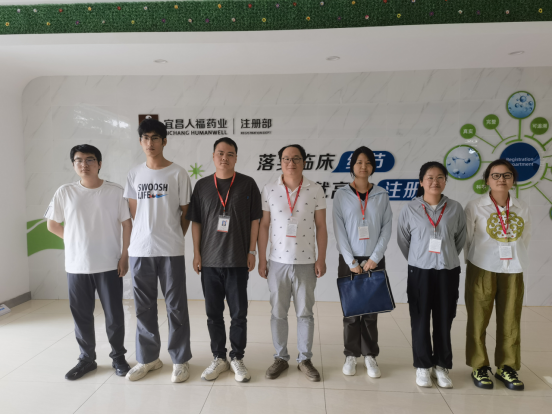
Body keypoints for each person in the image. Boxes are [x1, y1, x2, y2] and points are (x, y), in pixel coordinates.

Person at [45, 144, 132, 380]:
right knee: (81, 315)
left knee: (114, 315)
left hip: (109, 264)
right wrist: (74, 240)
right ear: (73, 164)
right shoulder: (65, 192)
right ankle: (87, 359)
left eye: (90, 159)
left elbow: (127, 224)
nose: (84, 164)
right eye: (78, 160)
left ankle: (118, 357)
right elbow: (52, 224)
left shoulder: (115, 191)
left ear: (99, 164)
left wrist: (124, 256)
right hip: (77, 266)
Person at [186, 137, 262, 383]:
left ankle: (237, 357)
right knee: (213, 314)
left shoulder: (248, 184)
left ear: (236, 157)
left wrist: (252, 251)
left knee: (239, 314)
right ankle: (219, 357)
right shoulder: (202, 186)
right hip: (209, 262)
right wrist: (197, 253)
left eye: (230, 154)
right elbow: (196, 222)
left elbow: (255, 220)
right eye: (220, 153)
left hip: (237, 260)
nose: (224, 158)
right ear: (213, 156)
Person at [124, 119, 193, 383]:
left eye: (155, 138)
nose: (150, 143)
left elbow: (186, 213)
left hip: (170, 250)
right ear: (140, 141)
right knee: (143, 307)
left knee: (176, 307)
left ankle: (180, 359)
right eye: (145, 138)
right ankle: (148, 358)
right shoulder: (134, 174)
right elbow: (134, 213)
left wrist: (173, 235)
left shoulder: (178, 173)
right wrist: (147, 234)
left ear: (164, 141)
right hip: (140, 250)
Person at [258, 144, 328, 382]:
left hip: (306, 262)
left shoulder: (315, 189)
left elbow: (321, 226)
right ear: (280, 162)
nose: (291, 163)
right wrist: (262, 258)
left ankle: (305, 359)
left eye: (296, 158)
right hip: (277, 262)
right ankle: (280, 357)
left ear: (304, 162)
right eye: (286, 158)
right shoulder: (269, 189)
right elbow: (264, 226)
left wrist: (321, 258)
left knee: (305, 313)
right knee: (278, 313)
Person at [397, 161, 466, 389]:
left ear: (445, 181)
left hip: (448, 270)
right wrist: (420, 258)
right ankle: (423, 365)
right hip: (420, 271)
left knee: (445, 318)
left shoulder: (455, 208)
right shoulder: (410, 209)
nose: (435, 182)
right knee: (419, 318)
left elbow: (459, 239)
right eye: (430, 177)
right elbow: (403, 241)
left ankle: (442, 365)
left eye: (440, 177)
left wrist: (446, 255)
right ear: (421, 182)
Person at [464, 160, 530, 391]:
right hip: (482, 267)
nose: (501, 179)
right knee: (478, 319)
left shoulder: (522, 207)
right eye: (496, 175)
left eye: (506, 175)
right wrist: (473, 262)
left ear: (513, 179)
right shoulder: (475, 206)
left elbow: (525, 238)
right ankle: (479, 366)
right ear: (487, 180)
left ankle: (507, 366)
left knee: (511, 320)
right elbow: (468, 239)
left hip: (513, 269)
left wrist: (514, 258)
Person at [332, 146, 392, 378]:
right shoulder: (341, 195)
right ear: (352, 166)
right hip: (349, 260)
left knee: (370, 312)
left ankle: (369, 355)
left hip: (374, 261)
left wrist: (375, 258)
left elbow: (386, 227)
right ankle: (350, 354)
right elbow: (339, 229)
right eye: (359, 162)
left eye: (367, 162)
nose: (363, 166)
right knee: (351, 312)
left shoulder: (381, 194)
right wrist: (351, 261)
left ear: (373, 166)